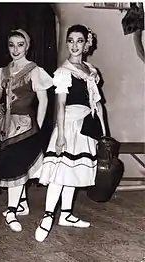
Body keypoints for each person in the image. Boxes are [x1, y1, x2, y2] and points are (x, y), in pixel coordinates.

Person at [34, 24, 106, 242]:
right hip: (69, 125)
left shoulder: (91, 71)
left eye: (79, 41)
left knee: (73, 172)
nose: (75, 45)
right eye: (71, 40)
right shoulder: (63, 72)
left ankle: (65, 214)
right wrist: (61, 134)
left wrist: (103, 132)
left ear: (86, 44)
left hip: (87, 125)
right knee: (60, 171)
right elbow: (60, 105)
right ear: (67, 43)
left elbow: (97, 104)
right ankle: (48, 216)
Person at [0, 29, 52, 232]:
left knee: (18, 166)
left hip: (25, 126)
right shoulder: (4, 71)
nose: (15, 49)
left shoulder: (34, 71)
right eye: (11, 44)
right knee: (12, 164)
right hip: (5, 127)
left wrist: (39, 128)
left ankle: (10, 210)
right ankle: (21, 203)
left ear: (27, 46)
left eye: (20, 44)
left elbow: (43, 101)